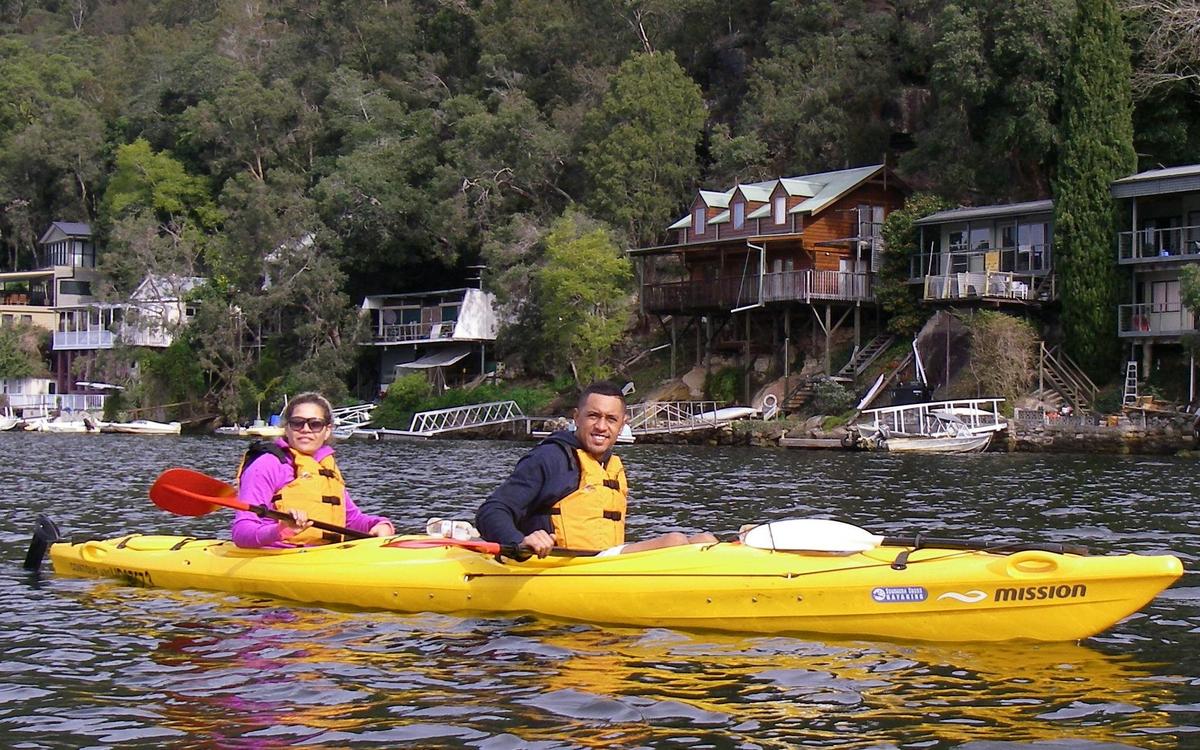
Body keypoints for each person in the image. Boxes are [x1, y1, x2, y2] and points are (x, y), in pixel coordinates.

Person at [475, 381, 717, 558]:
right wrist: (520, 541)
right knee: (674, 540)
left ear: (623, 425)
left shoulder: (610, 465)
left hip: (601, 563)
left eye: (611, 419)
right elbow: (491, 511)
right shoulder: (551, 458)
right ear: (577, 417)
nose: (601, 426)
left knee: (707, 540)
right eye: (593, 416)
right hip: (562, 566)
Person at [232, 392, 394, 548]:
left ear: (327, 430)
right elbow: (242, 533)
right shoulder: (267, 465)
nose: (306, 429)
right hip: (275, 556)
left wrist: (380, 524)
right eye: (297, 423)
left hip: (321, 554)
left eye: (315, 424)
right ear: (287, 428)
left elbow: (351, 520)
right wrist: (280, 530)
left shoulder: (325, 467)